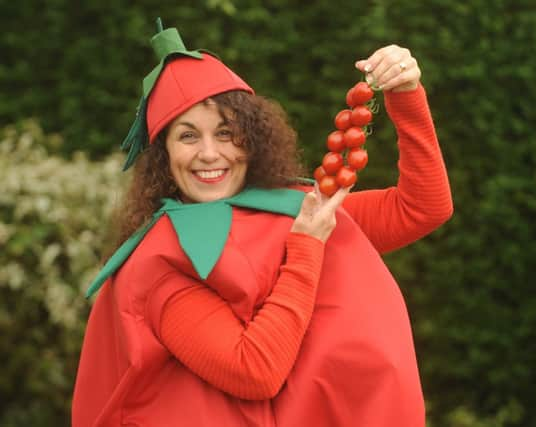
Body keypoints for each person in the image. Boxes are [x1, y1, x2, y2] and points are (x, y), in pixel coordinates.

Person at [72, 19, 453, 427]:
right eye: (187, 136)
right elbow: (254, 370)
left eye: (225, 132)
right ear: (163, 153)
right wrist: (306, 248)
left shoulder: (292, 209)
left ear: (250, 141)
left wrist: (406, 94)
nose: (208, 153)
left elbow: (422, 207)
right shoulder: (159, 263)